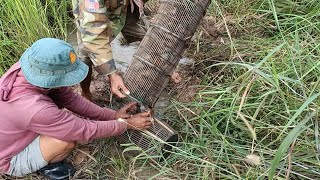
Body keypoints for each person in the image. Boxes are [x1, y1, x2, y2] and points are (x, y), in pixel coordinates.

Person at [0, 38, 152, 179]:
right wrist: (126, 125)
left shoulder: (30, 67)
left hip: (17, 131)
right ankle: (49, 166)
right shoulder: (35, 108)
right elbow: (83, 130)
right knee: (65, 140)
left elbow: (71, 99)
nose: (69, 83)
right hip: (10, 158)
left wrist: (111, 115)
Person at [72, 0, 148, 100]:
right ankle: (85, 93)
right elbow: (94, 38)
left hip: (127, 6)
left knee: (148, 36)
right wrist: (112, 74)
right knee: (86, 55)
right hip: (90, 15)